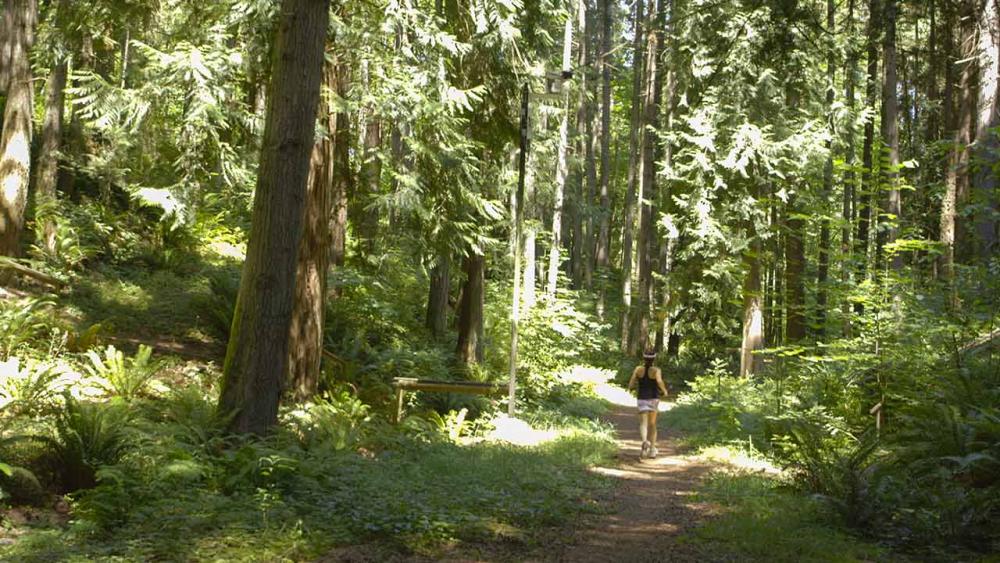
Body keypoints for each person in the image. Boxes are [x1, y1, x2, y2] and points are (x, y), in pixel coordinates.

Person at [627, 349, 668, 459]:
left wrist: (631, 388)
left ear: (643, 358)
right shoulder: (656, 370)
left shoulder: (638, 369)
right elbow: (659, 381)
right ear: (654, 358)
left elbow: (631, 383)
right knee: (652, 424)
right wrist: (664, 391)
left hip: (642, 399)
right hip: (653, 399)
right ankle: (653, 449)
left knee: (643, 423)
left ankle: (645, 441)